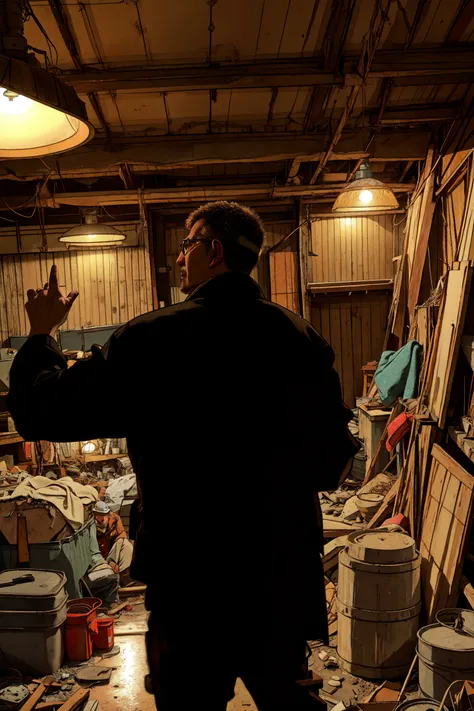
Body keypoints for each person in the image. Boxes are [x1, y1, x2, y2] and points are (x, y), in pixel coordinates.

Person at [8, 201, 358, 710]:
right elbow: (332, 463)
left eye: (186, 246)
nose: (177, 260)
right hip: (277, 577)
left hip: (189, 585)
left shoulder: (151, 338)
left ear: (214, 251)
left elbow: (45, 413)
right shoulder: (300, 338)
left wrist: (42, 334)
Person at [93, 500, 134, 585]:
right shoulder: (91, 526)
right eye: (100, 515)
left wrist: (113, 560)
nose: (103, 518)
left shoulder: (115, 519)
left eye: (104, 515)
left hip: (114, 553)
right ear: (95, 515)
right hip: (100, 557)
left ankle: (124, 577)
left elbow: (122, 535)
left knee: (126, 544)